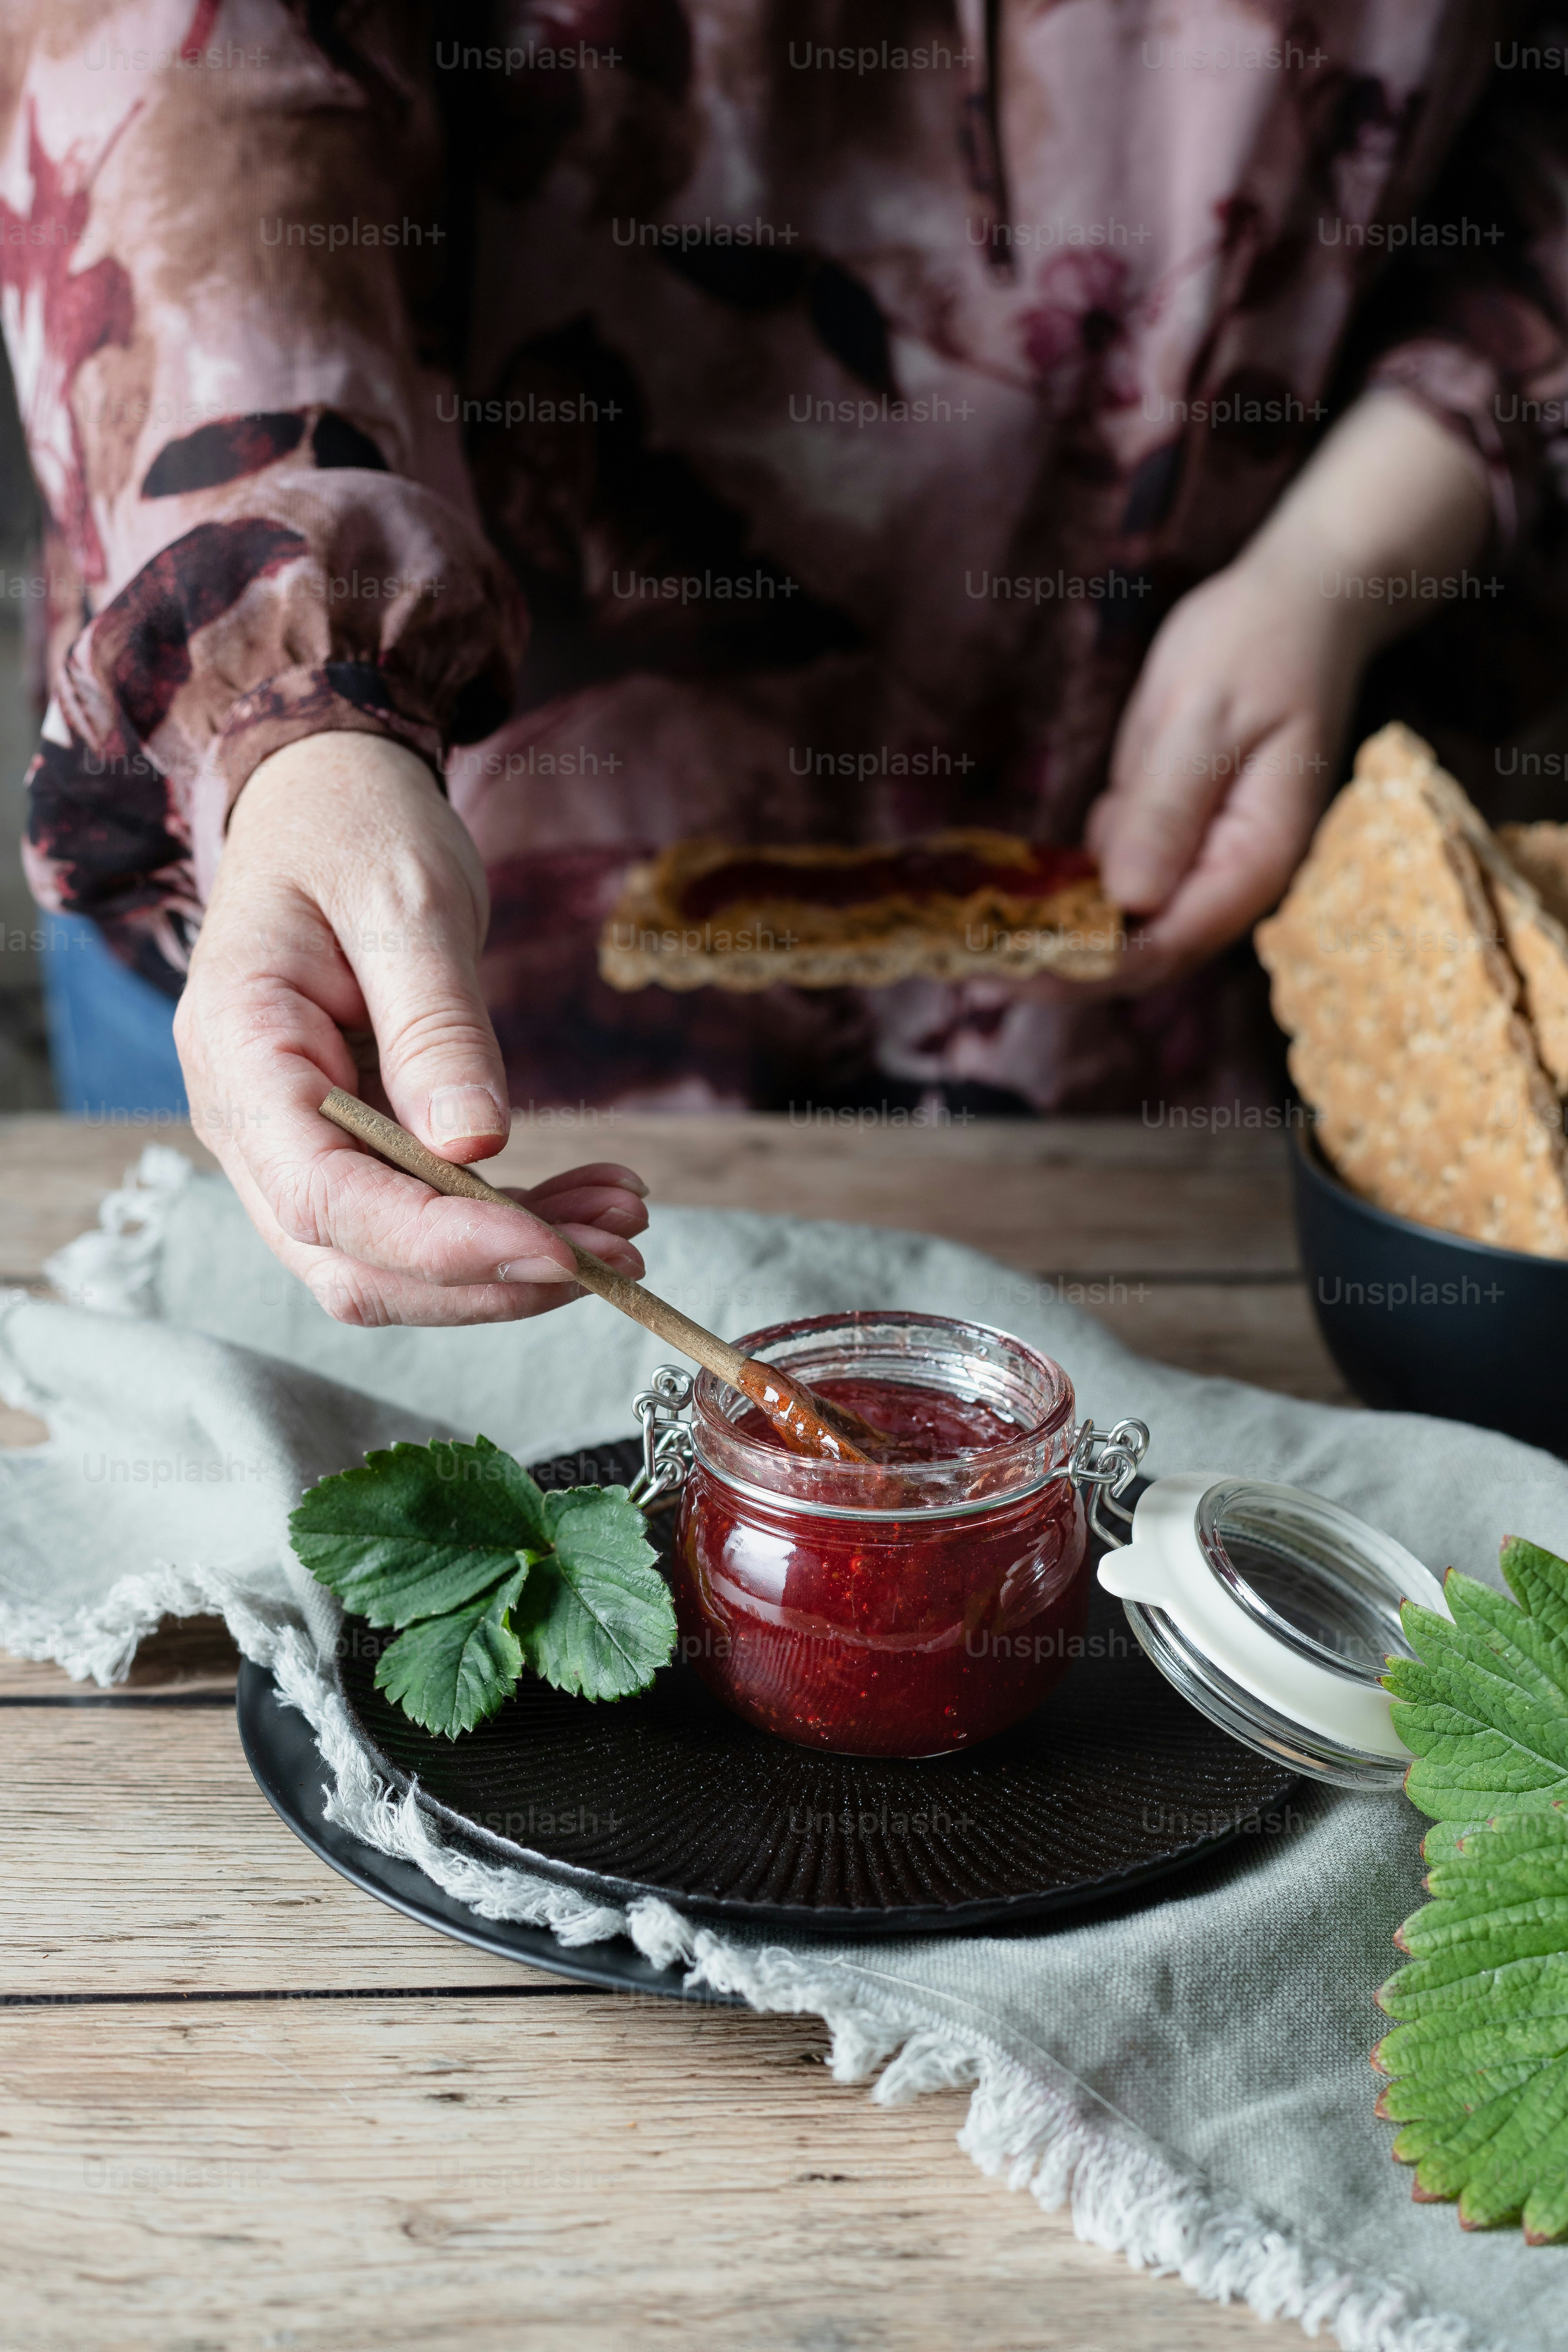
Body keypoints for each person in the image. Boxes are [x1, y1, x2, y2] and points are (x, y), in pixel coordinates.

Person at [2, 3, 1554, 1329]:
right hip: (361, 852)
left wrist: (1342, 556)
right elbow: (181, 61)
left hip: (1154, 880)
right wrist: (296, 700)